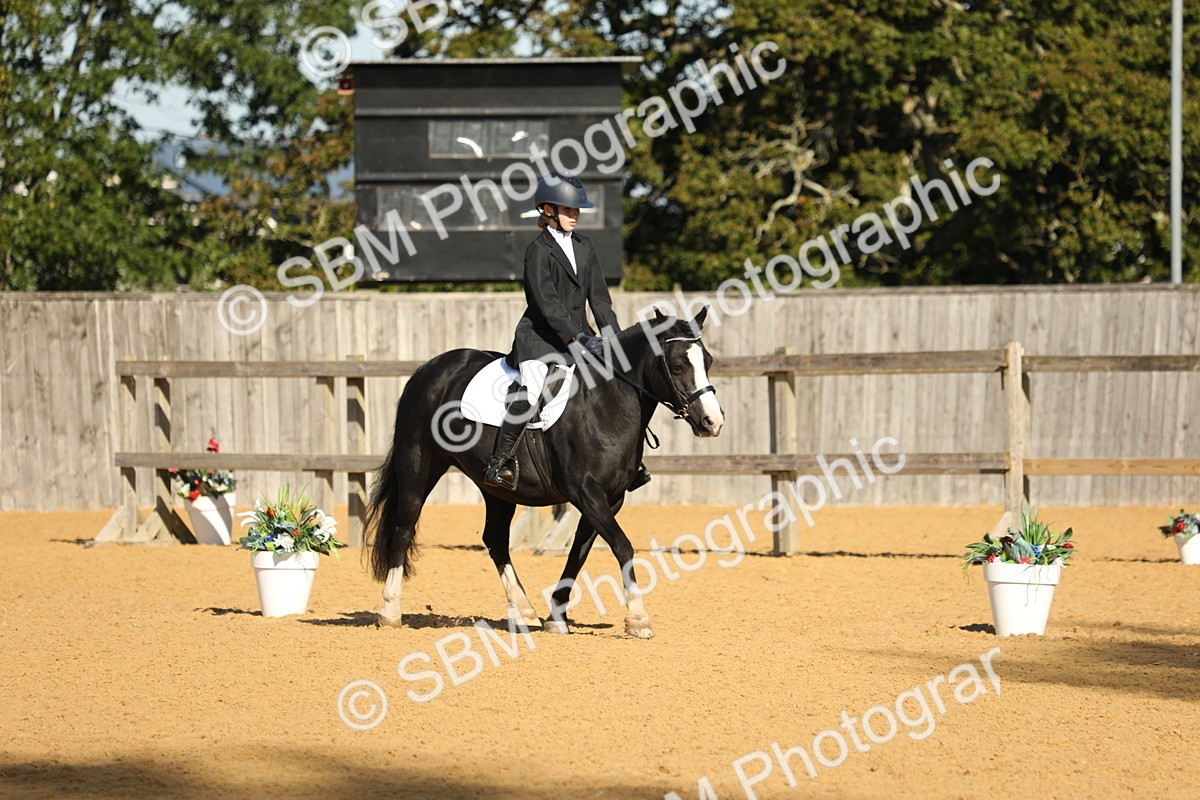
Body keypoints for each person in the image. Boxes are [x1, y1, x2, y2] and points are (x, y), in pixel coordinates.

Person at [483, 172, 652, 493]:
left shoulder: (585, 248)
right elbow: (546, 303)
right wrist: (578, 337)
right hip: (541, 340)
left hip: (582, 339)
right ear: (548, 210)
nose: (575, 216)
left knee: (616, 391)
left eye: (577, 211)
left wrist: (613, 339)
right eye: (569, 210)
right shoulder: (538, 250)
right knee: (533, 392)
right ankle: (500, 460)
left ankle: (628, 462)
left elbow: (600, 300)